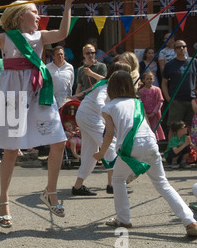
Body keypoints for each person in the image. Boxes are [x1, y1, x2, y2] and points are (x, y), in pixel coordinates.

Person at [0, 0, 79, 227]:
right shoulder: (6, 37)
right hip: (12, 91)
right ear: (20, 15)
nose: (38, 16)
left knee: (57, 141)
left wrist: (67, 5)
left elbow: (63, 32)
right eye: (34, 12)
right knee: (11, 149)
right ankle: (3, 200)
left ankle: (50, 192)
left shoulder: (41, 36)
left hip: (38, 92)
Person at [93, 70, 197, 237]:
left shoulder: (109, 107)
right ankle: (190, 221)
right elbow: (146, 126)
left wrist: (101, 153)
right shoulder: (137, 103)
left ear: (111, 88)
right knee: (163, 184)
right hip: (150, 143)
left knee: (118, 179)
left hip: (131, 148)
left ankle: (123, 219)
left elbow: (109, 133)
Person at [71, 62, 131, 196]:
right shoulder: (106, 86)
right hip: (90, 117)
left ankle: (77, 187)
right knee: (111, 146)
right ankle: (113, 185)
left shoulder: (107, 84)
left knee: (90, 152)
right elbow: (99, 101)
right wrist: (106, 119)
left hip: (85, 116)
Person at [161, 40, 197, 139]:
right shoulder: (170, 65)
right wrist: (168, 98)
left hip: (191, 100)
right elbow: (164, 83)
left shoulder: (194, 61)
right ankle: (171, 151)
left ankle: (189, 151)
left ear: (186, 48)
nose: (181, 48)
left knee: (190, 127)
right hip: (176, 100)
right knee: (174, 127)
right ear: (175, 50)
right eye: (178, 47)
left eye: (183, 46)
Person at [138, 71, 165, 141]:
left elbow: (160, 101)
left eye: (151, 79)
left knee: (155, 129)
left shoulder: (157, 89)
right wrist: (144, 113)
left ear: (153, 79)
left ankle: (155, 143)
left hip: (154, 114)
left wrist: (154, 112)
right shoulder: (141, 91)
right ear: (143, 80)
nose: (149, 80)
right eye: (147, 79)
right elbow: (140, 102)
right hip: (145, 114)